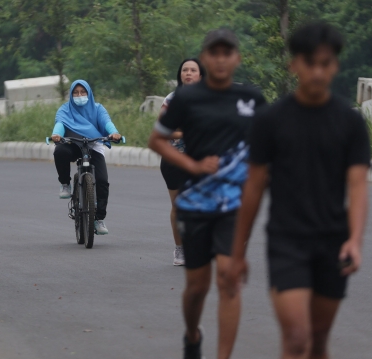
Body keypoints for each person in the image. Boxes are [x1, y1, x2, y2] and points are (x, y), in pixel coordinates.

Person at [227, 22, 370, 359]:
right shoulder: (270, 120)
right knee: (296, 336)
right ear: (294, 64)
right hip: (286, 241)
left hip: (333, 240)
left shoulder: (350, 123)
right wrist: (237, 252)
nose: (318, 72)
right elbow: (254, 187)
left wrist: (355, 239)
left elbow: (358, 184)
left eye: (326, 63)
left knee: (318, 340)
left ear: (336, 65)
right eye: (310, 63)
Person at [149, 28, 266, 359]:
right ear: (204, 58)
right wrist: (192, 164)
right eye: (213, 52)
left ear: (236, 58)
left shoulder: (252, 99)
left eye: (226, 52)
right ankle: (192, 334)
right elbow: (156, 139)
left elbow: (268, 147)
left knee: (229, 282)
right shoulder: (185, 99)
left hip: (232, 205)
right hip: (195, 203)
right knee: (197, 288)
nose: (220, 58)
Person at [51, 80, 121, 235]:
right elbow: (60, 124)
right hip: (73, 143)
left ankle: (99, 219)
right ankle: (65, 184)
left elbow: (107, 122)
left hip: (93, 145)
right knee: (59, 151)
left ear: (89, 93)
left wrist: (114, 133)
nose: (79, 95)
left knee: (102, 181)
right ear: (71, 95)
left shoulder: (98, 109)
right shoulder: (65, 110)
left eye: (83, 92)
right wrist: (56, 134)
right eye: (75, 93)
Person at [158, 58, 204, 266]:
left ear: (201, 75)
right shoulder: (171, 99)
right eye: (185, 70)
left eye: (193, 70)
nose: (188, 73)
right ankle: (180, 250)